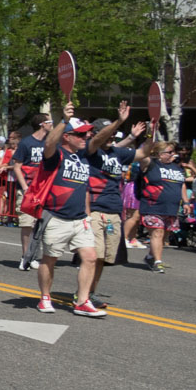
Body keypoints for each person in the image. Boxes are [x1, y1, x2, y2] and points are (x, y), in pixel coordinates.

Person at [33, 103, 109, 318]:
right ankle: (45, 297)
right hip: (56, 216)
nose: (85, 138)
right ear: (67, 136)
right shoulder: (55, 156)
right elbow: (48, 142)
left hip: (79, 219)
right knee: (50, 259)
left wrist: (86, 215)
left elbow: (84, 190)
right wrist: (64, 120)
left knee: (90, 257)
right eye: (80, 135)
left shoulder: (85, 157)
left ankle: (83, 301)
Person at [86, 106, 145, 276]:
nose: (112, 135)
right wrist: (119, 121)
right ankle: (83, 293)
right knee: (94, 256)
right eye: (108, 132)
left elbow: (142, 152)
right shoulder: (90, 150)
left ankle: (89, 293)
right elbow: (100, 141)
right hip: (95, 209)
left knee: (104, 258)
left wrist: (150, 133)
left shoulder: (115, 152)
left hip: (114, 210)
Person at [133, 135, 192, 272]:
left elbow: (181, 185)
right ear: (159, 154)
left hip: (171, 207)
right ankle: (158, 261)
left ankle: (150, 257)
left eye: (173, 151)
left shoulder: (177, 168)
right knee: (157, 233)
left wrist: (186, 202)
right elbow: (141, 155)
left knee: (164, 235)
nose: (173, 154)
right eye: (169, 152)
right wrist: (149, 137)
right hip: (153, 206)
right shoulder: (151, 163)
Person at [9, 115, 50, 270]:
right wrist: (25, 187)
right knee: (27, 224)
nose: (52, 125)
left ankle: (34, 256)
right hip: (28, 190)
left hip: (45, 191)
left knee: (41, 225)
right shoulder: (26, 143)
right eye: (49, 122)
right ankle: (25, 256)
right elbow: (17, 166)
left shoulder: (50, 143)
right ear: (42, 124)